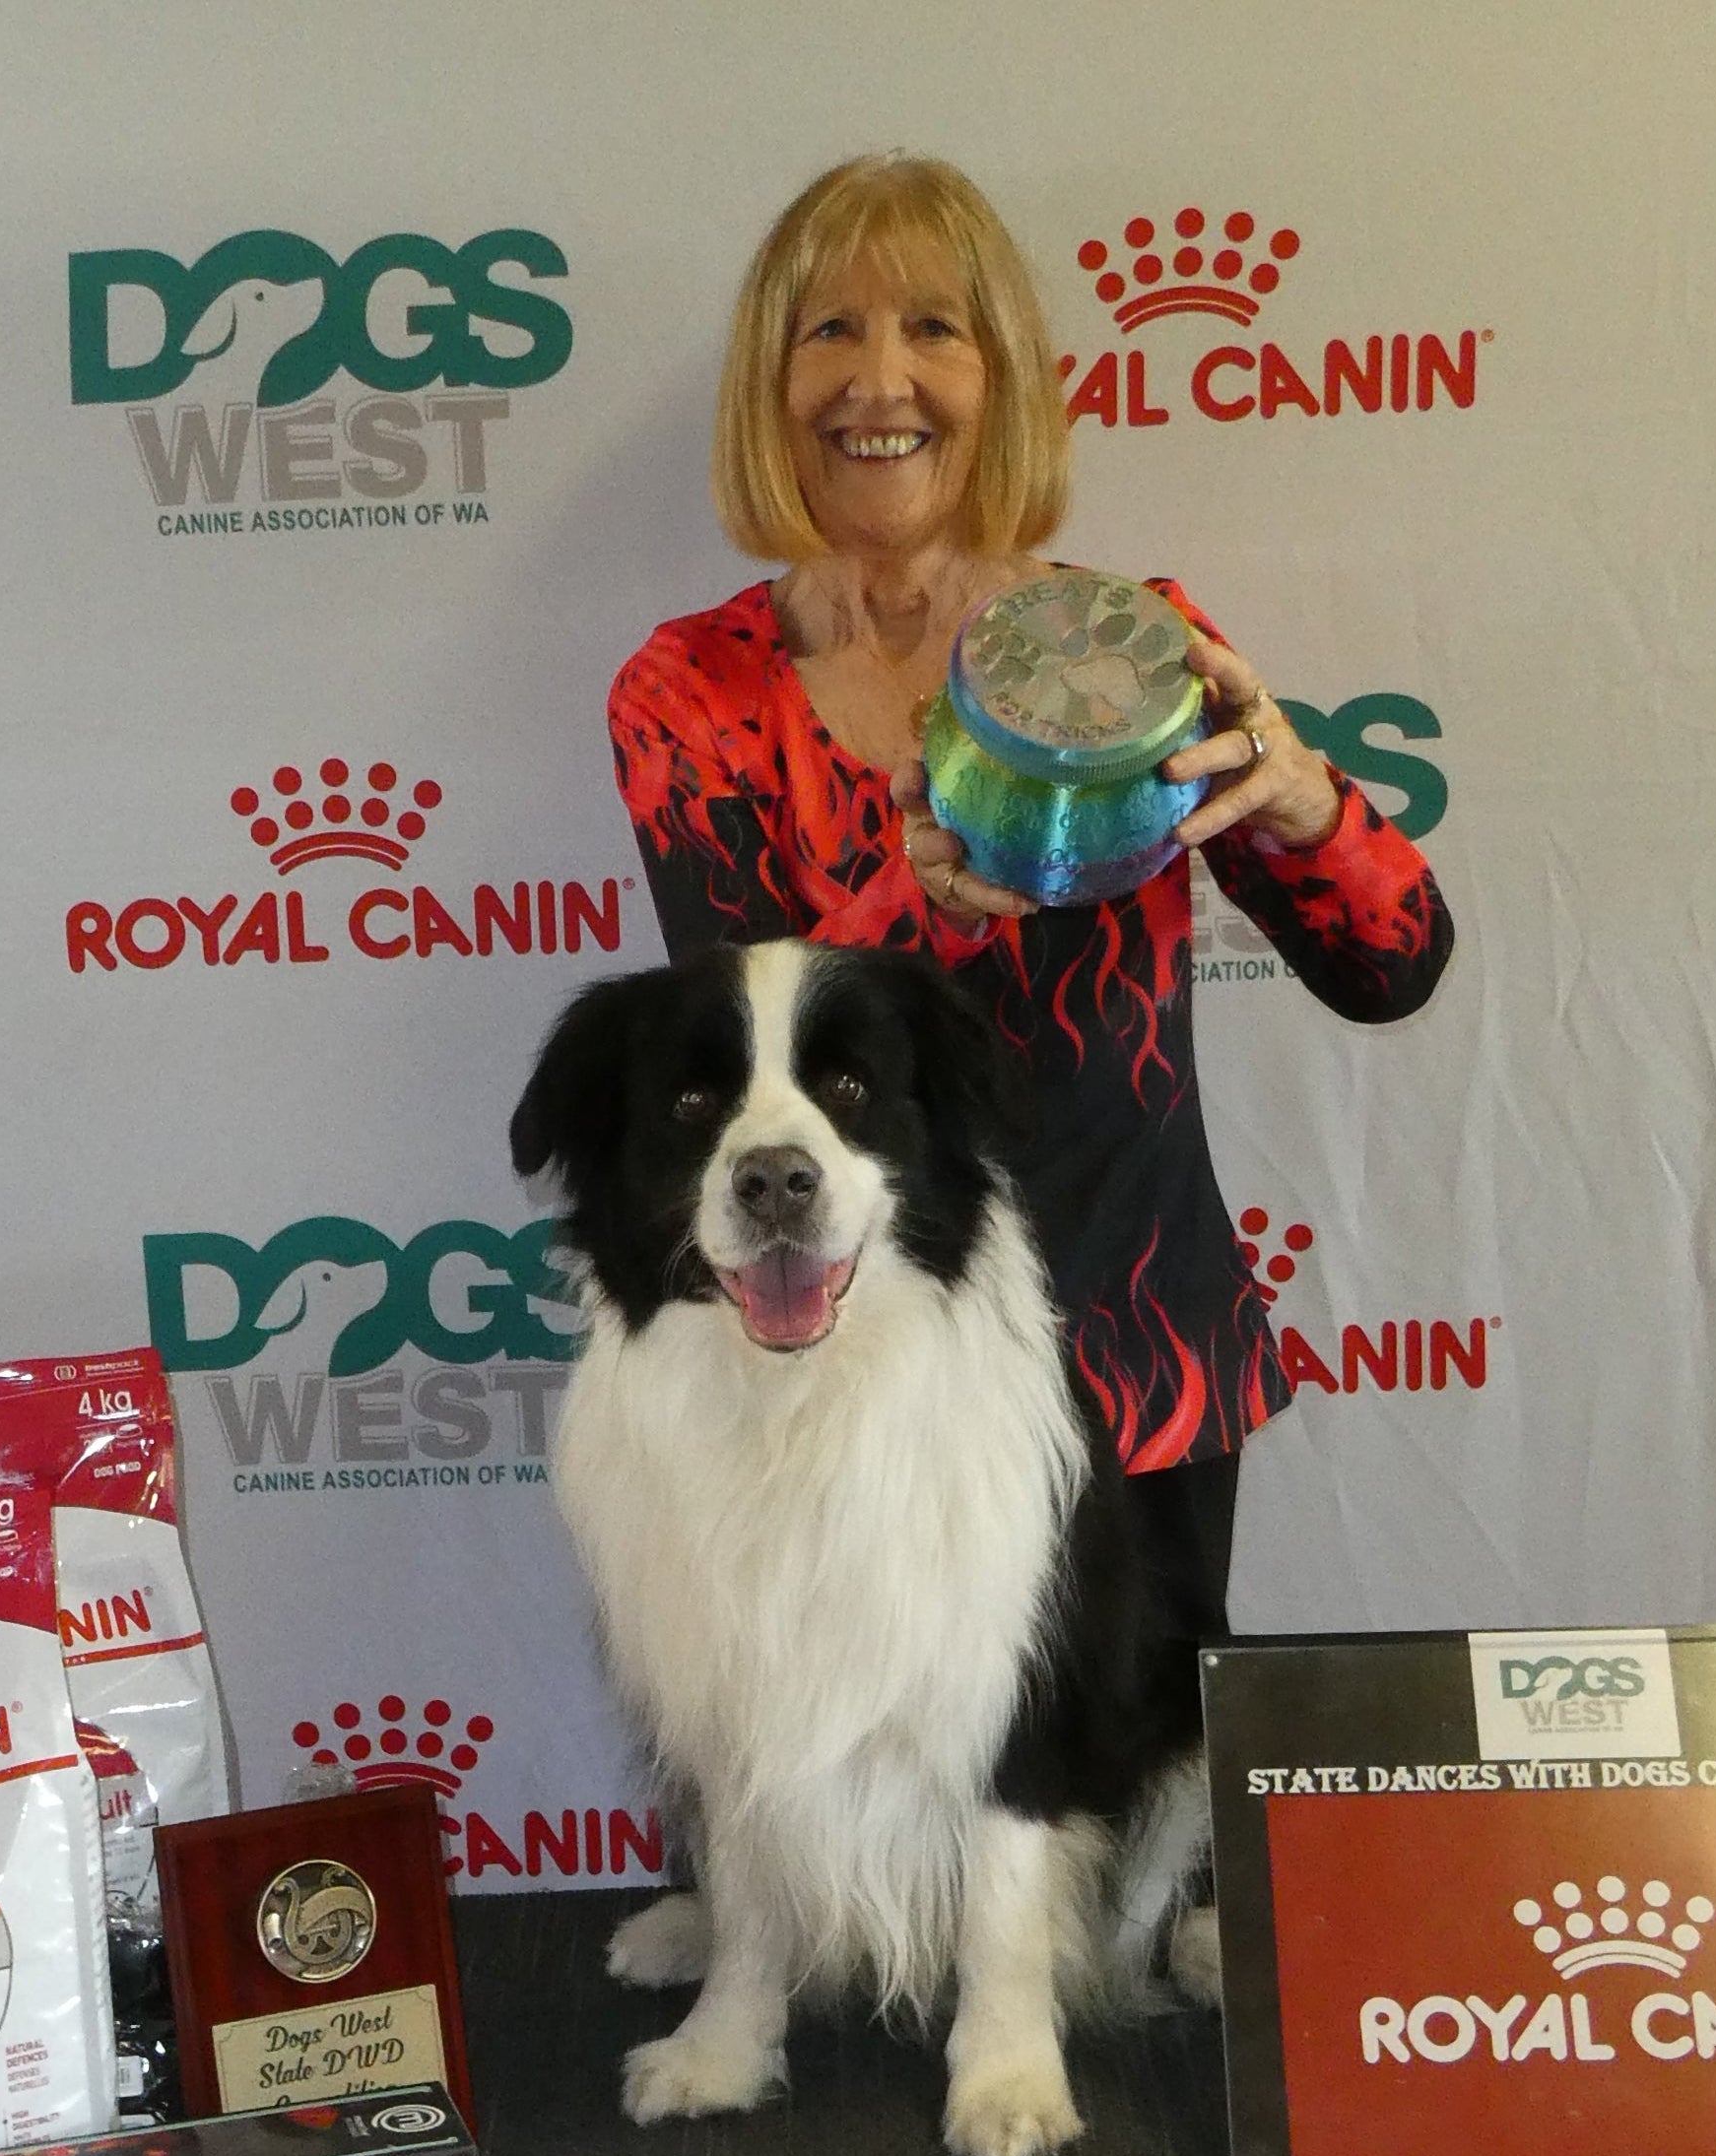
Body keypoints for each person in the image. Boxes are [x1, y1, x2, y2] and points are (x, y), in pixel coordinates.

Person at [606, 152, 1452, 1682]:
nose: (881, 380)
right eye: (828, 333)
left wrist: (1300, 797)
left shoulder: (1134, 650)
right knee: (898, 1820)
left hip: (1132, 1335)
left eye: (935, 327)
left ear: (1000, 376)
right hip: (849, 1369)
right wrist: (900, 897)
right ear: (767, 385)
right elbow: (732, 1038)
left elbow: (1392, 968)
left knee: (1155, 1812)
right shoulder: (692, 693)